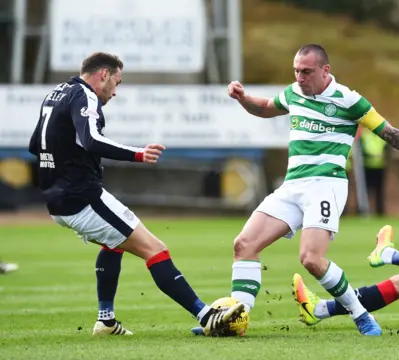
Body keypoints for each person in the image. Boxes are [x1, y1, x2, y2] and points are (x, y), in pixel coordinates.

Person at [193, 44, 399, 336]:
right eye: (296, 71)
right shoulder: (294, 92)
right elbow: (266, 108)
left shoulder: (349, 100)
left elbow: (391, 134)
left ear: (325, 70)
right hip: (292, 186)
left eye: (306, 71)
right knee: (243, 246)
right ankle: (236, 321)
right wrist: (244, 98)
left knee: (311, 259)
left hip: (326, 185)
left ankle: (360, 315)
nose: (300, 77)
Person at [28, 52, 244, 337]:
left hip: (57, 199)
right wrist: (138, 153)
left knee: (113, 244)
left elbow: (35, 145)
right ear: (103, 74)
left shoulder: (57, 93)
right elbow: (92, 140)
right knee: (155, 249)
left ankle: (105, 321)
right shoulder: (85, 96)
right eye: (117, 82)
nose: (115, 91)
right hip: (82, 197)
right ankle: (206, 316)